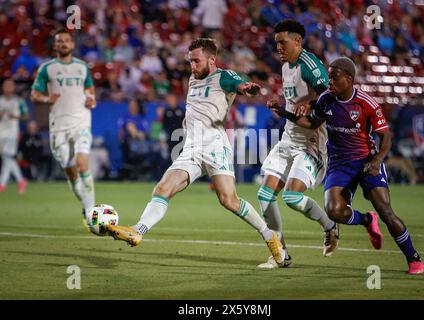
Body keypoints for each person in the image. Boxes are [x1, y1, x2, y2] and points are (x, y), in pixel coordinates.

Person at [106, 38, 286, 266]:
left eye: (196, 61)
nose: (192, 66)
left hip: (214, 147)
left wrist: (247, 88)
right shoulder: (192, 79)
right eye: (190, 61)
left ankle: (270, 238)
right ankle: (138, 230)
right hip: (190, 147)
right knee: (163, 188)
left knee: (228, 200)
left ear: (212, 60)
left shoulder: (223, 76)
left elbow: (241, 86)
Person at [270, 57, 424, 275]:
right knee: (334, 211)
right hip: (339, 164)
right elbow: (313, 123)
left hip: (366, 161)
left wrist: (377, 161)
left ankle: (413, 257)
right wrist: (284, 113)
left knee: (386, 211)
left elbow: (385, 136)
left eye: (334, 77)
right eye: (329, 76)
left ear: (349, 79)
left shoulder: (367, 104)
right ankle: (366, 219)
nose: (329, 81)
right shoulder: (326, 100)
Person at [257, 19, 339, 269]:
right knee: (265, 195)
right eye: (276, 43)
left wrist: (312, 105)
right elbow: (297, 100)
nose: (279, 47)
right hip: (289, 137)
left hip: (312, 141)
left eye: (282, 42)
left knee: (292, 197)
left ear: (297, 41)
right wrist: (282, 108)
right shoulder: (286, 65)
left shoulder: (310, 65)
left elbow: (330, 96)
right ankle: (280, 254)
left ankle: (329, 225)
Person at [31, 29, 97, 228]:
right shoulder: (47, 68)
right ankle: (85, 204)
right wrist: (45, 98)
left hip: (81, 123)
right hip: (59, 127)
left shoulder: (82, 67)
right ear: (55, 45)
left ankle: (91, 212)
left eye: (67, 41)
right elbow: (34, 94)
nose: (64, 44)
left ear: (73, 44)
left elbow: (90, 90)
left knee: (83, 164)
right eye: (60, 41)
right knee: (71, 173)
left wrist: (91, 98)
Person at [0, 79, 29, 193]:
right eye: (6, 85)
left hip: (12, 132)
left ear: (13, 88)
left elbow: (26, 116)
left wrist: (16, 117)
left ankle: (2, 183)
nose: (8, 88)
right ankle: (21, 180)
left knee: (7, 157)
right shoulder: (0, 100)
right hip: (1, 132)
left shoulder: (19, 101)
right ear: (3, 87)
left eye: (10, 85)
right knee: (6, 158)